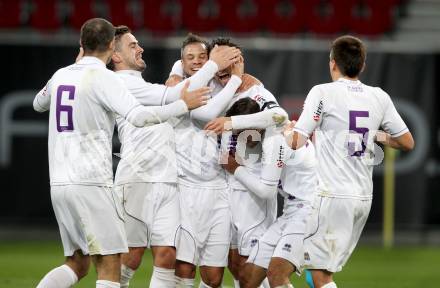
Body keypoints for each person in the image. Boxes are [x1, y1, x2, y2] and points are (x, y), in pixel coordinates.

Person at [33, 18, 202, 288]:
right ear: (112, 46)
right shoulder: (105, 78)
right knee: (110, 264)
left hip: (59, 183)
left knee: (78, 263)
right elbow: (138, 117)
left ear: (81, 44)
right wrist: (182, 105)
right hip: (91, 181)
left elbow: (38, 103)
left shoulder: (61, 74)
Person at [106, 26, 241, 288]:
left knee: (167, 256)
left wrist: (182, 68)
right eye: (133, 45)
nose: (140, 48)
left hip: (168, 181)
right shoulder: (120, 83)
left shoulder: (148, 83)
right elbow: (176, 97)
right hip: (137, 177)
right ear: (116, 55)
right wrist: (211, 65)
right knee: (131, 256)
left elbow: (177, 87)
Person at [285, 35, 414, 288]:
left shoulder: (323, 92)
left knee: (318, 275)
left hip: (331, 196)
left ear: (332, 63)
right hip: (362, 198)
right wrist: (373, 134)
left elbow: (296, 141)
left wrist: (282, 131)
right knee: (314, 271)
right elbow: (407, 141)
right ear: (362, 65)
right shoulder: (379, 96)